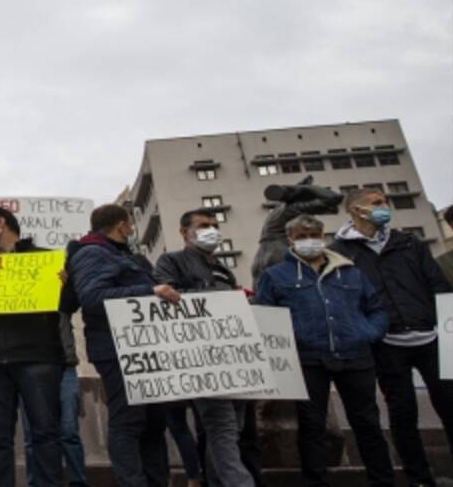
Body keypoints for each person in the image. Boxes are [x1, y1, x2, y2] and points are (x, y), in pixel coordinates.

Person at [254, 214, 394, 486]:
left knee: (367, 423)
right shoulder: (274, 275)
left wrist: (369, 332)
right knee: (311, 426)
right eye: (302, 235)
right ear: (290, 239)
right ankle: (315, 481)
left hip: (355, 356)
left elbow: (375, 308)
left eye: (314, 234)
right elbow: (265, 316)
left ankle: (383, 480)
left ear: (323, 236)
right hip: (308, 360)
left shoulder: (351, 272)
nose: (310, 240)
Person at [330, 188, 453, 486]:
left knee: (452, 406)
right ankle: (419, 478)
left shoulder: (409, 242)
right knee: (403, 415)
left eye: (384, 202)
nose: (384, 207)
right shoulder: (340, 253)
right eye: (376, 203)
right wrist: (371, 332)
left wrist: (445, 329)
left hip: (431, 339)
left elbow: (437, 284)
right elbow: (344, 301)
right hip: (386, 345)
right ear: (355, 210)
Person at [67, 204, 179, 487]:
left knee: (154, 423)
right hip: (118, 350)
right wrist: (149, 291)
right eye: (130, 225)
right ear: (121, 226)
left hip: (146, 350)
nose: (131, 230)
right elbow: (93, 298)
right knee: (128, 421)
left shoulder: (125, 256)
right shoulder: (91, 253)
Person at [0, 206, 65, 487]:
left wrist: (66, 286)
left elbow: (69, 306)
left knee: (44, 432)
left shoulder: (43, 259)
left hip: (37, 358)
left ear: (0, 223)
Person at [153, 209, 255, 487]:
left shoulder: (223, 269)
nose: (211, 229)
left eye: (213, 225)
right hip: (203, 360)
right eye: (202, 225)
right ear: (184, 232)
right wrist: (219, 299)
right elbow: (167, 301)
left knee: (231, 430)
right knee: (222, 427)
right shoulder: (170, 261)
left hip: (234, 356)